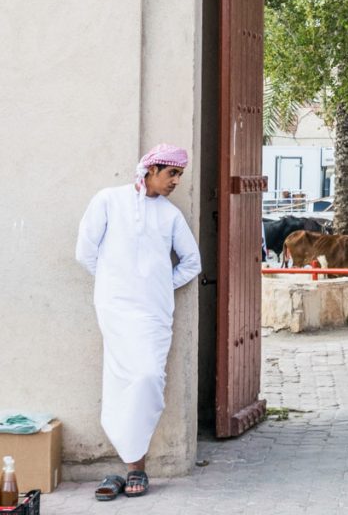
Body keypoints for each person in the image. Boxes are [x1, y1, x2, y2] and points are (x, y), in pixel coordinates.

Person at [76, 144, 201, 500]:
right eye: (171, 173)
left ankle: (131, 463)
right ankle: (134, 468)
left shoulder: (170, 215)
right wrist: (115, 285)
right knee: (119, 380)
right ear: (150, 170)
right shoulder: (108, 200)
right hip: (115, 310)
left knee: (148, 377)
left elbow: (192, 263)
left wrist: (158, 284)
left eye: (179, 175)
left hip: (154, 312)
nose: (176, 181)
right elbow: (84, 251)